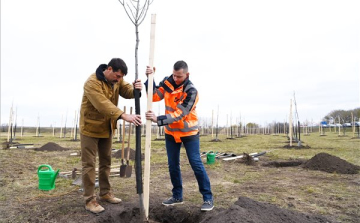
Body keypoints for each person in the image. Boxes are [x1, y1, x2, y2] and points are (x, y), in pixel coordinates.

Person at [144, 60, 214, 211]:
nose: (175, 79)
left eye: (179, 76)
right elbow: (155, 96)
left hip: (189, 133)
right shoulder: (168, 82)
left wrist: (159, 119)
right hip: (171, 133)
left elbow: (180, 114)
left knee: (196, 163)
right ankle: (177, 196)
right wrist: (150, 79)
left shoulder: (192, 91)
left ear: (186, 74)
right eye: (174, 75)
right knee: (173, 165)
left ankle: (208, 198)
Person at [80, 58, 142, 214]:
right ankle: (89, 200)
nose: (119, 80)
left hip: (106, 128)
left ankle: (105, 193)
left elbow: (128, 91)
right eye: (118, 76)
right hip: (90, 128)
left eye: (121, 77)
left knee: (106, 162)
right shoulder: (92, 83)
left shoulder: (117, 81)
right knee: (89, 164)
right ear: (109, 69)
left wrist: (137, 88)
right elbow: (102, 104)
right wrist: (122, 115)